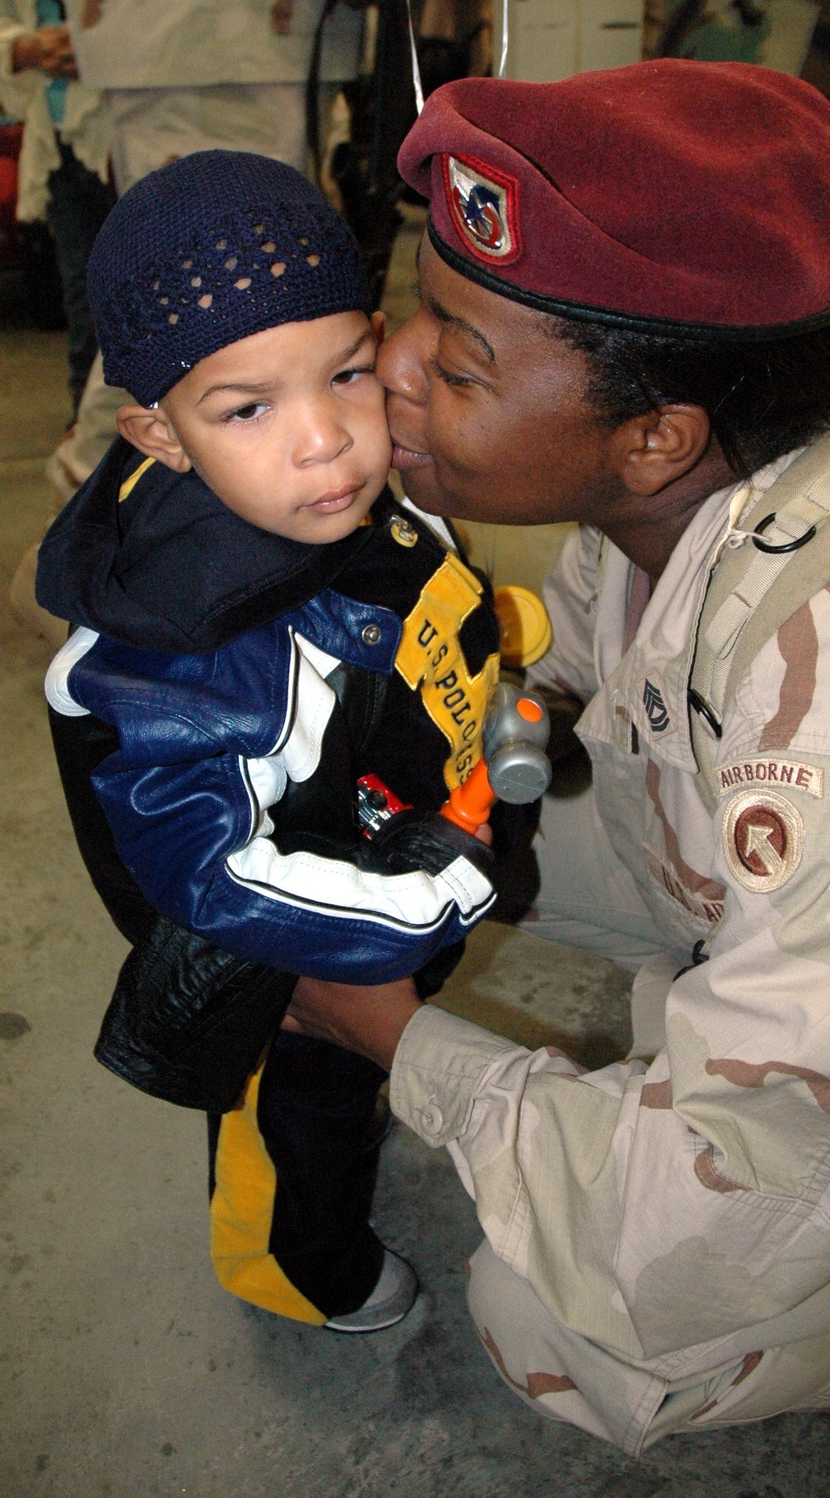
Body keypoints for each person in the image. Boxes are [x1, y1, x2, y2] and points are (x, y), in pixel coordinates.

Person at [278, 62, 830, 1450]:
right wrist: (447, 790)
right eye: (424, 316)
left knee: (569, 1328)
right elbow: (585, 697)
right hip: (799, 884)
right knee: (403, 834)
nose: (392, 366)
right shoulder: (664, 503)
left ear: (655, 436)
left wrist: (405, 1043)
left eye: (458, 363)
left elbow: (718, 1207)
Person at [35, 149, 500, 1333]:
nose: (324, 442)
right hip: (279, 960)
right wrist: (438, 895)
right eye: (247, 406)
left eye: (344, 373)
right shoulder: (187, 655)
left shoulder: (334, 499)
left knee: (361, 1078)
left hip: (381, 842)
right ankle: (297, 1268)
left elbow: (411, 590)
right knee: (296, 1113)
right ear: (159, 431)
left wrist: (501, 633)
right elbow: (216, 872)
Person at [0, 0, 112, 418]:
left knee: (149, 280)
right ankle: (89, 425)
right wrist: (28, 48)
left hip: (131, 132)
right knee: (82, 292)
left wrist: (101, 49)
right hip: (60, 146)